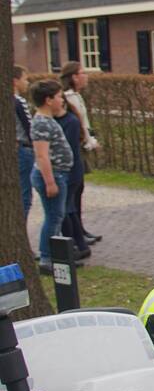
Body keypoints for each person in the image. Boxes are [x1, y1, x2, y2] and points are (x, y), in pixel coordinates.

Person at [28, 80, 74, 274]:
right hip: (53, 175)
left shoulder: (47, 120)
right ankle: (47, 257)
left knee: (56, 216)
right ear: (48, 100)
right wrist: (50, 181)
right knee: (53, 217)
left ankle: (54, 254)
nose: (61, 100)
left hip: (59, 173)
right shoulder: (41, 123)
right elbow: (42, 155)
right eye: (58, 97)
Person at [60, 61, 101, 244]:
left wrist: (92, 138)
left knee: (79, 189)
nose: (86, 76)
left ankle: (80, 228)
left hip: (83, 145)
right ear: (74, 77)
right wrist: (88, 141)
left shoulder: (77, 96)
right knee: (75, 190)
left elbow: (86, 123)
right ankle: (76, 232)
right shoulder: (69, 98)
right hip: (78, 147)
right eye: (82, 73)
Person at [55, 97, 90, 260]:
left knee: (66, 208)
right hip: (67, 170)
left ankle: (75, 246)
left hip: (69, 170)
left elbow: (66, 147)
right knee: (68, 208)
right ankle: (79, 245)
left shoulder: (70, 121)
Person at [13, 65, 34, 218]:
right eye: (25, 79)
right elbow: (29, 127)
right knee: (25, 196)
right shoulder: (19, 101)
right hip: (23, 149)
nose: (27, 83)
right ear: (15, 81)